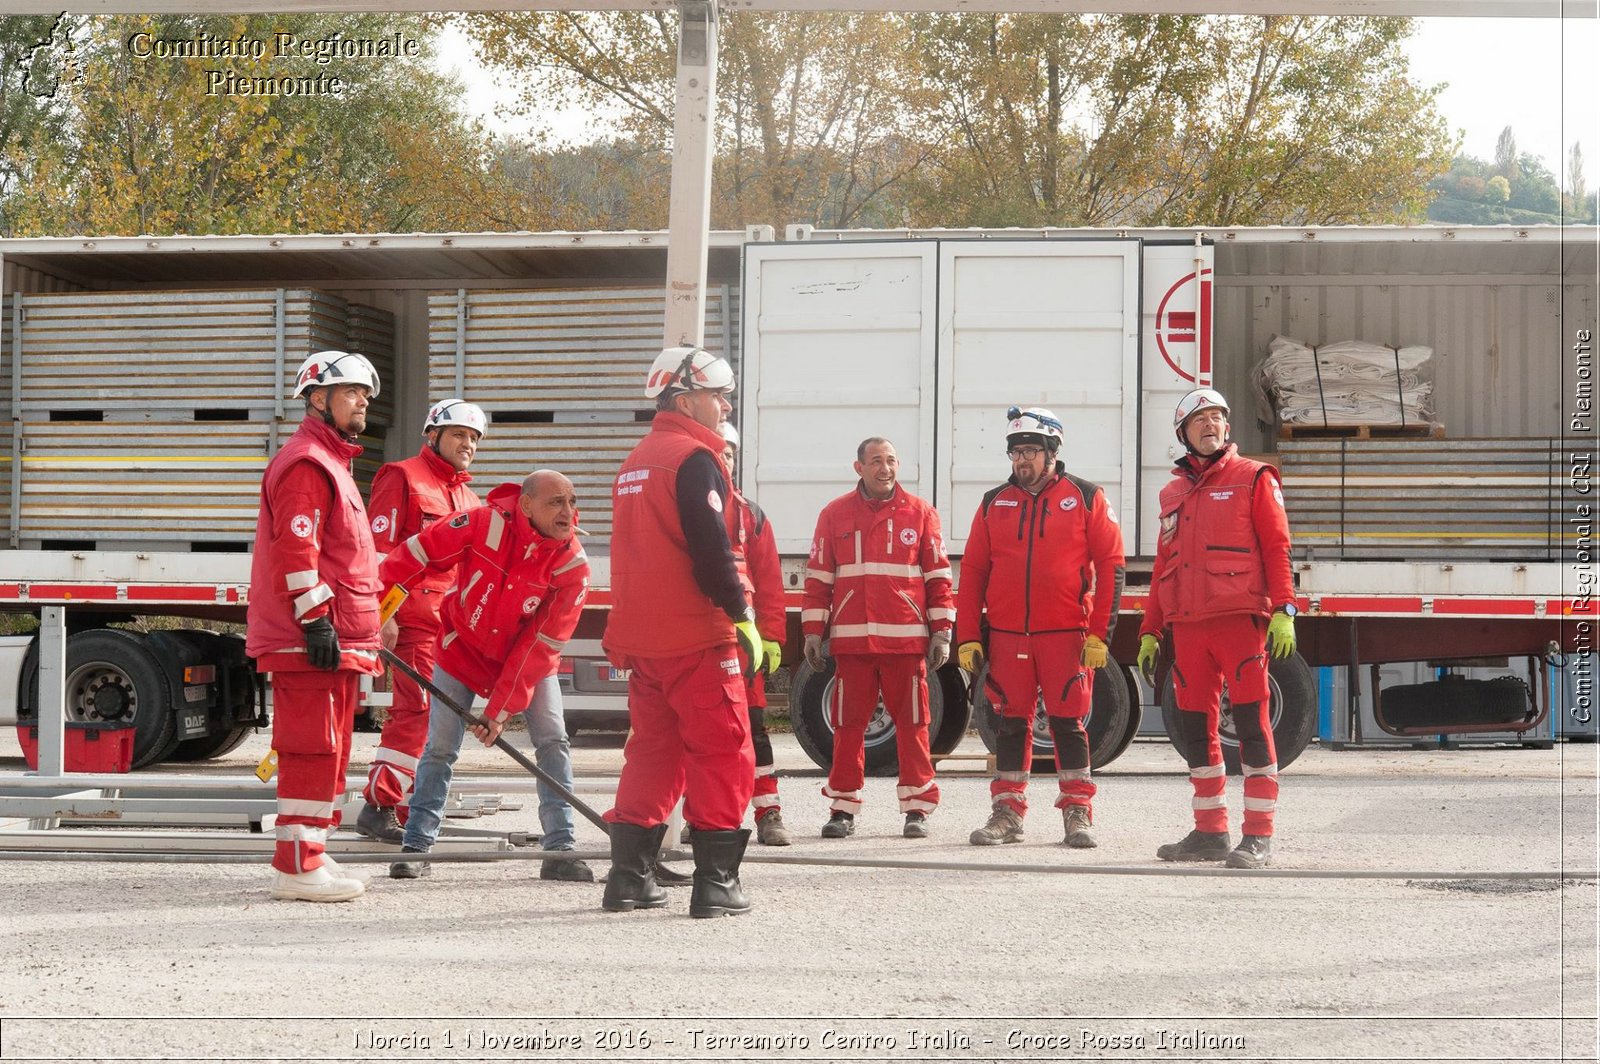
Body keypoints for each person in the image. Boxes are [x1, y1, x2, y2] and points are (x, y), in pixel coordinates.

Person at [601, 346, 761, 919]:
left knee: (651, 753)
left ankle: (628, 878)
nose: (723, 407)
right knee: (722, 750)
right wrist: (740, 614)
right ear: (685, 397)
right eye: (718, 396)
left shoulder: (636, 461)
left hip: (645, 640)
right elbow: (710, 548)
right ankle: (716, 884)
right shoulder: (694, 459)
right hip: (697, 634)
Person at [378, 470, 594, 883]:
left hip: (525, 662)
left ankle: (561, 848)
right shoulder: (480, 523)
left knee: (553, 740)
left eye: (571, 501)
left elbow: (542, 645)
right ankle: (417, 846)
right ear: (526, 505)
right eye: (556, 502)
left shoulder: (571, 565)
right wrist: (379, 607)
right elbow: (416, 554)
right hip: (460, 650)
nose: (569, 512)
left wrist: (500, 710)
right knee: (439, 747)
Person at [246, 350, 385, 903]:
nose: (362, 404)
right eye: (352, 393)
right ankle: (295, 867)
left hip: (333, 637)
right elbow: (296, 551)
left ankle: (313, 854)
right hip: (309, 639)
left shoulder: (333, 463)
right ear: (318, 399)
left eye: (366, 396)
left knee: (330, 749)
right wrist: (316, 621)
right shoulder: (308, 463)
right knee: (309, 749)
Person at [1138, 388, 1295, 870]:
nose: (1210, 426)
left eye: (1217, 418)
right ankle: (1210, 833)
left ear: (1228, 428)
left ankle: (1259, 836)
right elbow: (1165, 561)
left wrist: (1286, 608)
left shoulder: (1254, 478)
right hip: (1187, 628)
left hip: (1238, 622)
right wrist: (1150, 628)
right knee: (1195, 729)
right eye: (1199, 420)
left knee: (1250, 725)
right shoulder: (1172, 492)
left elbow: (1277, 545)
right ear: (1183, 434)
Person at [956, 407, 1125, 849]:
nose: (1021, 461)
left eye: (1030, 451)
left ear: (1052, 451)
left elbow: (1112, 567)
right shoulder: (995, 502)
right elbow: (973, 572)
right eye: (1015, 453)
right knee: (1010, 724)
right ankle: (1007, 813)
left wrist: (1099, 634)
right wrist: (969, 635)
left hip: (1066, 636)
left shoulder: (1087, 497)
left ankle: (1078, 811)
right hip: (1009, 635)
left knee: (1069, 724)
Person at [801, 437, 953, 840]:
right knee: (847, 726)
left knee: (913, 724)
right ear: (859, 468)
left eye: (891, 461)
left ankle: (917, 809)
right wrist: (813, 632)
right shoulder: (833, 514)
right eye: (876, 461)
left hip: (906, 643)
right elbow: (818, 580)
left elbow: (939, 579)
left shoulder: (920, 513)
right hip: (853, 645)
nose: (885, 469)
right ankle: (843, 809)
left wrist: (942, 632)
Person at [355, 398, 486, 844]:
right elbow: (377, 552)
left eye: (473, 438)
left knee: (437, 720)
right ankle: (379, 806)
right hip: (410, 620)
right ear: (433, 436)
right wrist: (381, 613)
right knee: (417, 712)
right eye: (458, 435)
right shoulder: (402, 477)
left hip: (448, 627)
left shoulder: (468, 497)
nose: (466, 444)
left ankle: (413, 808)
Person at [721, 422, 791, 846]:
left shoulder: (751, 514)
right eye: (719, 452)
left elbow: (769, 581)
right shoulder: (687, 506)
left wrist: (771, 637)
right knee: (707, 735)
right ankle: (708, 818)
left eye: (731, 454)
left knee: (755, 729)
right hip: (699, 641)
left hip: (745, 648)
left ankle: (768, 812)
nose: (725, 460)